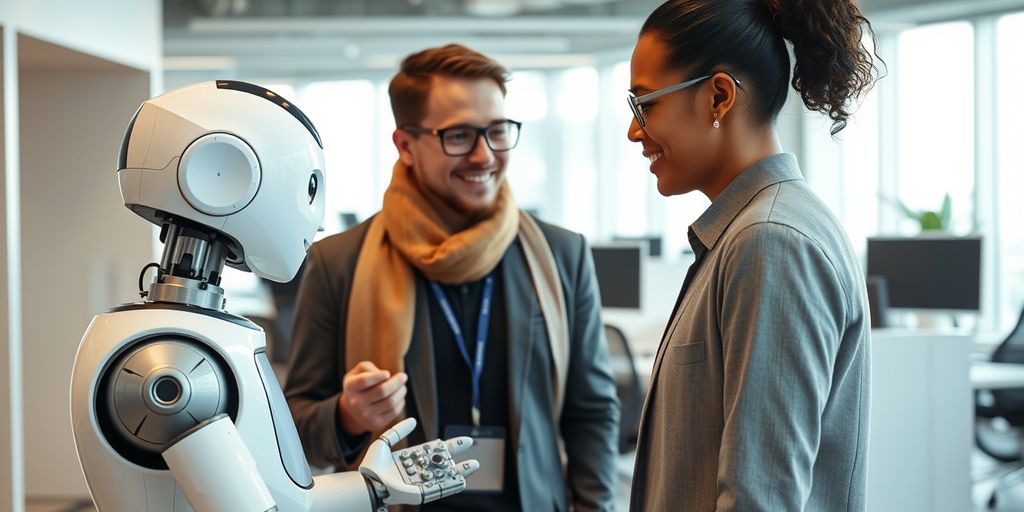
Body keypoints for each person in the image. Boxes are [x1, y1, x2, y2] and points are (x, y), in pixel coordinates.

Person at [285, 44, 619, 512]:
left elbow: (592, 412)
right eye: (459, 136)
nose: (484, 156)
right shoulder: (337, 262)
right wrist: (347, 415)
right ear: (405, 145)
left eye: (498, 132)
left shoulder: (561, 255)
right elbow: (294, 428)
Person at [624, 1, 879, 510]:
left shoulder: (771, 241)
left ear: (718, 96)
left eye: (645, 104)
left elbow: (761, 497)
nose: (634, 131)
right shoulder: (751, 232)